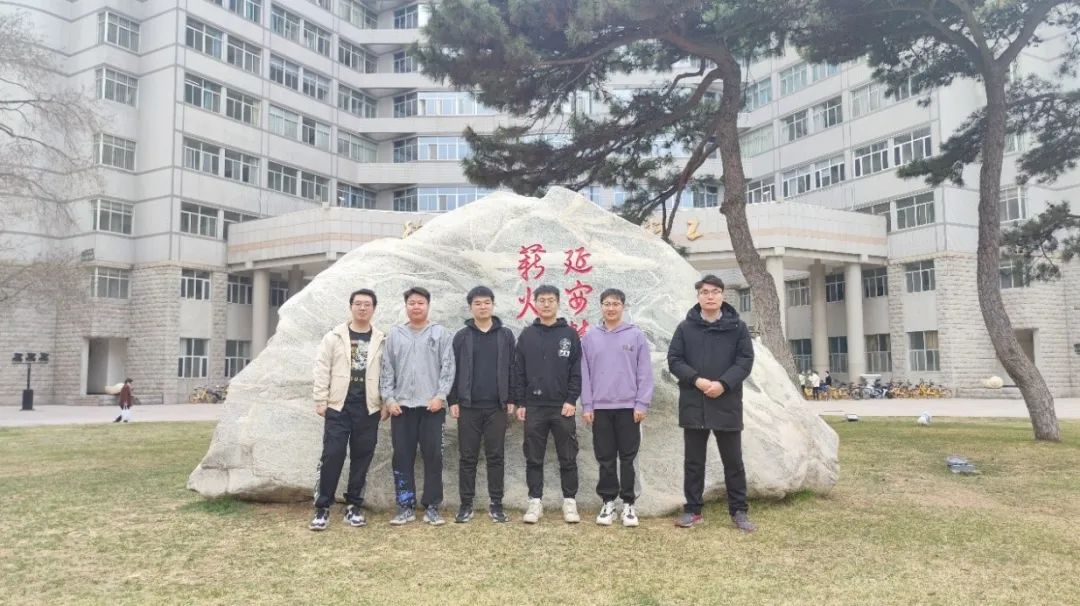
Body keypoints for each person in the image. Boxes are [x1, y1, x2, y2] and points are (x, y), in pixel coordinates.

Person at [667, 274, 756, 532]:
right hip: (694, 402)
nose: (710, 296)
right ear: (698, 296)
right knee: (694, 462)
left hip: (727, 402)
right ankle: (693, 510)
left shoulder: (737, 328)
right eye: (705, 292)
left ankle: (739, 511)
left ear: (722, 296)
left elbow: (745, 361)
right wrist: (697, 380)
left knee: (733, 461)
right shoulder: (685, 328)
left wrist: (723, 384)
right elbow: (674, 360)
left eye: (715, 292)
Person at [309, 289, 386, 531]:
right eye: (358, 304)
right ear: (351, 306)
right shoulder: (334, 337)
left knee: (362, 457)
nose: (362, 308)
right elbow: (322, 368)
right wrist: (320, 399)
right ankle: (322, 507)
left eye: (367, 304)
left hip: (368, 408)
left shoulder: (381, 339)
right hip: (338, 407)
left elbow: (387, 374)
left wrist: (385, 402)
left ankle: (354, 506)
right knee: (332, 455)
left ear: (374, 309)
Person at [381, 286, 456, 526]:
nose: (416, 307)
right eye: (412, 303)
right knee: (402, 457)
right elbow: (387, 369)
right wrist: (389, 399)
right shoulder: (395, 335)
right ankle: (405, 506)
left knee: (433, 456)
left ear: (428, 306)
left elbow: (448, 367)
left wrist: (440, 396)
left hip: (431, 407)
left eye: (420, 303)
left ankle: (432, 506)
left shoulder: (440, 333)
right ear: (406, 306)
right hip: (401, 408)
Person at [580, 288, 653, 527]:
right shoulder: (590, 337)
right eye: (607, 304)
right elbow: (584, 374)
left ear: (623, 307)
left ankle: (629, 503)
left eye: (615, 304)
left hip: (629, 407)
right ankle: (608, 502)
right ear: (601, 306)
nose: (611, 308)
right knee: (605, 457)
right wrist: (587, 405)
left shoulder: (636, 335)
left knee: (628, 458)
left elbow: (644, 372)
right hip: (600, 408)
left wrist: (641, 403)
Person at [512, 284, 582, 524]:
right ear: (535, 304)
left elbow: (576, 371)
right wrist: (521, 402)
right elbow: (518, 371)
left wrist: (571, 399)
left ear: (558, 303)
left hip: (562, 406)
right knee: (533, 457)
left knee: (568, 456)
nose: (546, 304)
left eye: (551, 300)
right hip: (534, 406)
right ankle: (535, 502)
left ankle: (570, 502)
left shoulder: (569, 334)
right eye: (541, 300)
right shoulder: (527, 335)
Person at [447, 286, 516, 524]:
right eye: (477, 303)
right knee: (468, 457)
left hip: (497, 407)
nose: (483, 307)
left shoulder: (505, 335)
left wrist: (512, 398)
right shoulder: (462, 336)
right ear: (470, 307)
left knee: (496, 456)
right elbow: (453, 370)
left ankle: (496, 504)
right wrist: (453, 400)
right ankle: (466, 504)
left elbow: (512, 368)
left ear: (493, 305)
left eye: (487, 302)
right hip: (468, 407)